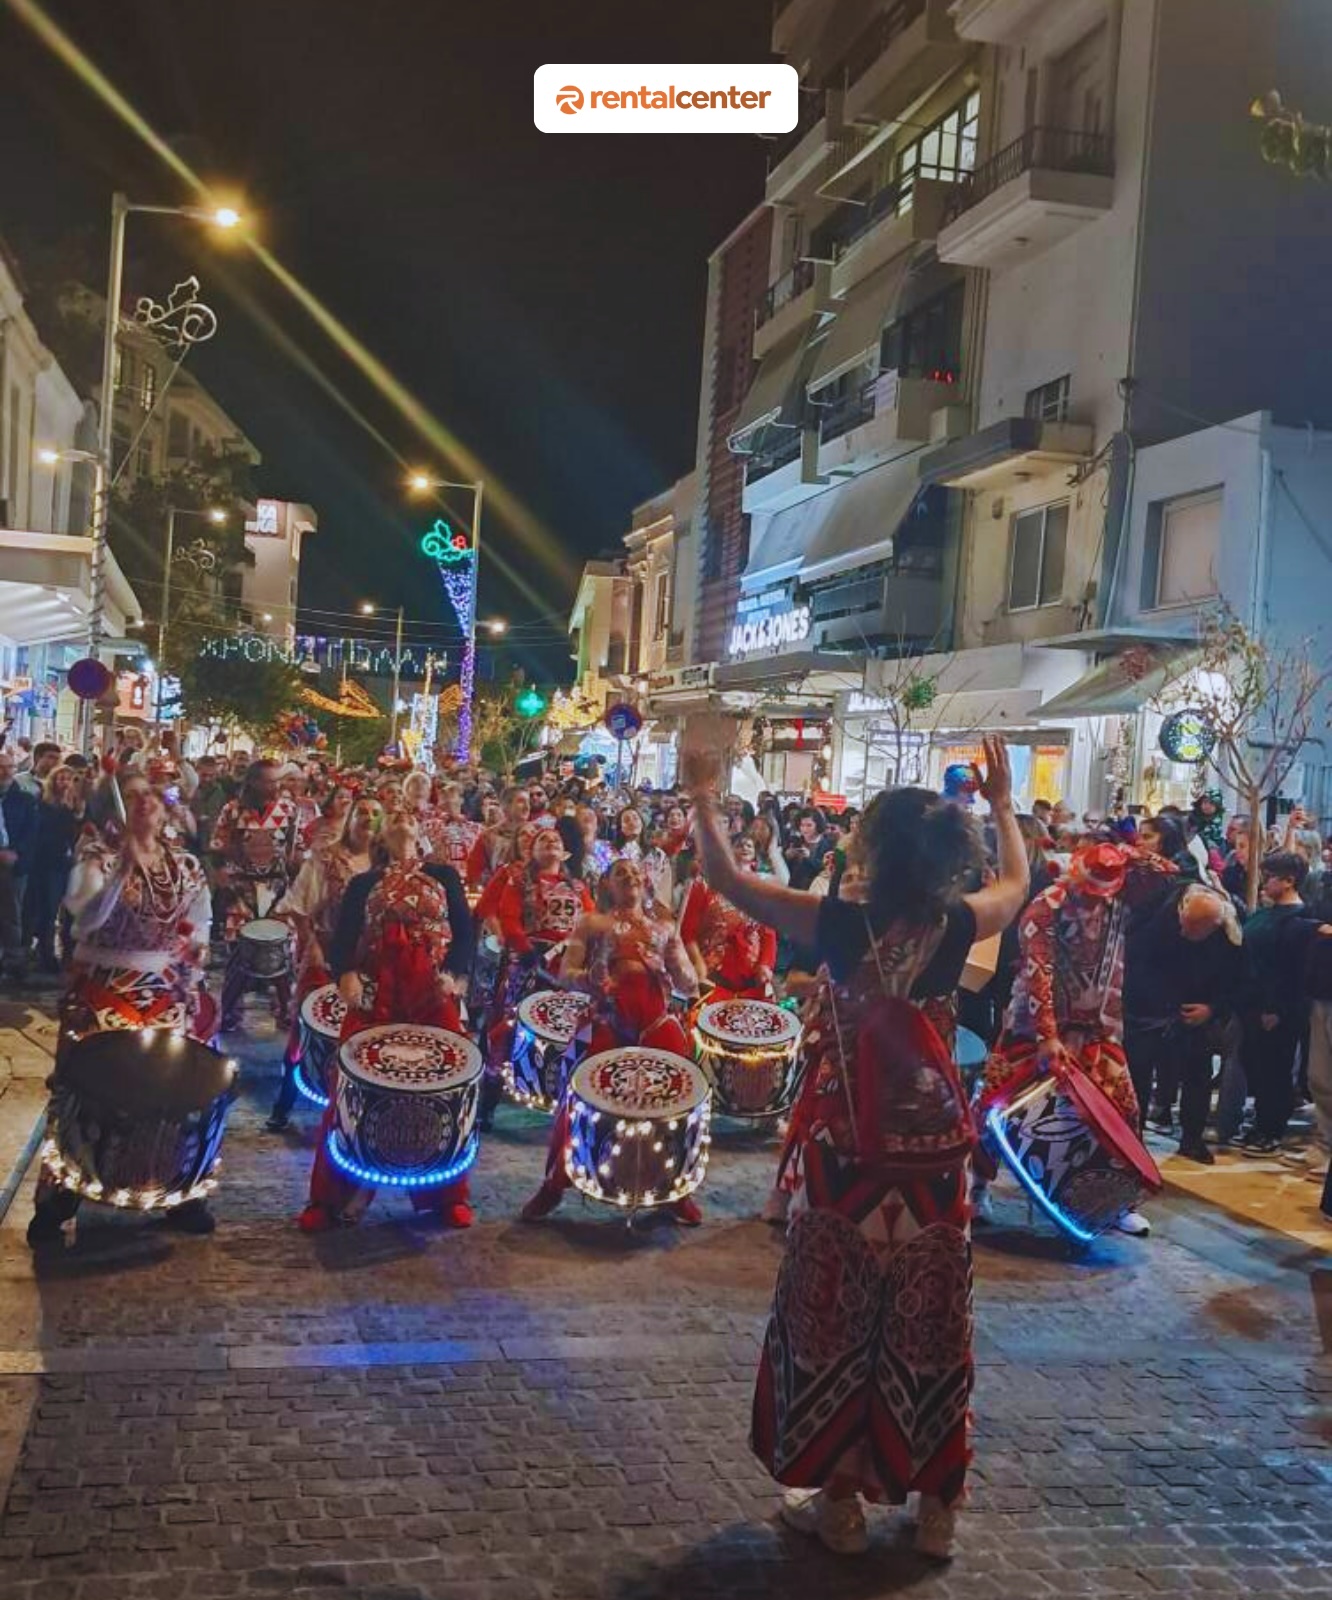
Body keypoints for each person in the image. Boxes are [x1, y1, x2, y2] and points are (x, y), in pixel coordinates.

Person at [677, 737, 1025, 1559]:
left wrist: (702, 794)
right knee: (932, 1321)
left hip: (847, 1150)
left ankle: (838, 1504)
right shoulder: (957, 926)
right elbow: (1019, 885)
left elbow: (726, 881)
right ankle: (937, 1503)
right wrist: (1005, 806)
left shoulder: (835, 923)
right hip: (937, 1160)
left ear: (872, 849)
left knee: (834, 1318)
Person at [28, 784, 216, 1244]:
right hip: (104, 987)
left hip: (166, 991)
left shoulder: (184, 865)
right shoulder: (97, 859)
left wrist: (194, 956)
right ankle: (60, 1197)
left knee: (179, 1089)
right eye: (133, 796)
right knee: (86, 1090)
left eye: (152, 795)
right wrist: (121, 872)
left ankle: (181, 1189)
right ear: (118, 808)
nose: (145, 802)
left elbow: (200, 922)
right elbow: (85, 918)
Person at [978, 841, 1174, 1236]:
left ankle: (1116, 1202)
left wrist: (1123, 854)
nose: (1093, 899)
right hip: (1032, 1028)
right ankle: (977, 1187)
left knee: (1122, 1111)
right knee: (994, 1107)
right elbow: (1038, 971)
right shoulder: (1045, 906)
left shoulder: (1120, 898)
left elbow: (1166, 874)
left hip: (1100, 1027)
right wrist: (1047, 1035)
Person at [298, 809, 476, 1232]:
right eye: (392, 815)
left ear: (420, 830)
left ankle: (448, 1194)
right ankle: (329, 1196)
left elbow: (464, 932)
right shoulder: (364, 882)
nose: (401, 818)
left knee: (450, 1084)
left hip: (431, 989)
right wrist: (346, 974)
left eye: (408, 814)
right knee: (351, 1086)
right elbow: (344, 940)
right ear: (382, 834)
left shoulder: (444, 876)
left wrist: (453, 976)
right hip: (378, 989)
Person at [520, 856, 701, 1225]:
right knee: (584, 1104)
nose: (630, 876)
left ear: (646, 883)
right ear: (606, 885)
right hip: (608, 1019)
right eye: (621, 873)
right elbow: (565, 975)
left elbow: (689, 984)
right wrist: (590, 976)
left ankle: (676, 1190)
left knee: (680, 1100)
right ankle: (555, 1184)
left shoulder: (665, 927)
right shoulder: (592, 923)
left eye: (635, 872)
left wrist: (673, 968)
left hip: (656, 1023)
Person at [265, 794, 384, 1132]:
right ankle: (285, 1100)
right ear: (350, 818)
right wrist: (312, 945)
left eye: (376, 813)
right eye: (362, 812)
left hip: (370, 962)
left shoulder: (387, 865)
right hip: (327, 951)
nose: (368, 818)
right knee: (307, 1027)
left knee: (362, 1033)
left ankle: (352, 1108)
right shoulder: (326, 859)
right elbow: (301, 906)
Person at [1123, 883, 1243, 1164]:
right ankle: (1132, 1141)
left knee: (1197, 1077)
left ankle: (1192, 1140)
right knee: (1137, 1077)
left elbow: (1236, 979)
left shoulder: (1229, 931)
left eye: (1194, 930)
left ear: (1213, 926)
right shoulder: (1157, 908)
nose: (1184, 933)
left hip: (1194, 1011)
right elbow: (1134, 958)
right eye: (1184, 924)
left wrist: (1212, 1009)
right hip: (1147, 1010)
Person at [1235, 852, 1323, 1155]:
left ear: (1289, 881)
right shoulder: (1265, 913)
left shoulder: (1300, 918)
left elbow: (1291, 971)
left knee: (1275, 1067)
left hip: (1278, 1007)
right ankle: (1261, 1119)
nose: (1264, 881)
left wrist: (1275, 1009)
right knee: (1256, 1064)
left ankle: (1271, 1128)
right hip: (1251, 1002)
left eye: (1270, 876)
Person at [212, 760, 303, 1031]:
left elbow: (295, 849)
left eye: (277, 781)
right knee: (239, 951)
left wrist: (297, 862)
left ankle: (286, 1010)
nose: (274, 786)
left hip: (277, 888)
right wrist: (222, 877)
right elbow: (218, 846)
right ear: (252, 782)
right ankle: (229, 1011)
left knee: (282, 952)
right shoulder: (232, 810)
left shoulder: (289, 809)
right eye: (267, 781)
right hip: (242, 889)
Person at [679, 834, 777, 1000]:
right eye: (739, 844)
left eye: (749, 846)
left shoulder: (763, 890)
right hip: (711, 975)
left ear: (754, 856)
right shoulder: (704, 884)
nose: (745, 847)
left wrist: (765, 966)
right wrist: (698, 964)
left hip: (751, 978)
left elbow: (769, 935)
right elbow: (687, 933)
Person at [26, 765, 85, 974]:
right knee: (48, 911)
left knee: (70, 911)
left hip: (69, 863)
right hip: (49, 864)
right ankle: (46, 955)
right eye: (61, 778)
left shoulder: (75, 806)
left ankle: (68, 954)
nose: (65, 783)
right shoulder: (44, 805)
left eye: (69, 779)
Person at [0, 747, 38, 980]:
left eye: (9, 768)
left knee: (11, 912)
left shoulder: (24, 799)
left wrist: (16, 853)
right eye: (0, 768)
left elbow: (31, 833)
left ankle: (12, 960)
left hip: (13, 863)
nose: (4, 772)